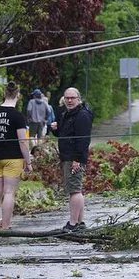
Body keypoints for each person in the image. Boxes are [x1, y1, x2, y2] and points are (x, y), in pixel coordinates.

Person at [0, 82, 31, 230]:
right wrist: (28, 162)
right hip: (13, 158)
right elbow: (23, 141)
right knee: (9, 192)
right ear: (17, 95)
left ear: (4, 94)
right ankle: (5, 227)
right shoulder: (18, 116)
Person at [51, 87, 92, 231]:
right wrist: (55, 129)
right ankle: (80, 223)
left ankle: (73, 223)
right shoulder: (67, 114)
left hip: (74, 158)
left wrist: (77, 159)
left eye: (72, 98)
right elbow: (63, 134)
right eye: (67, 98)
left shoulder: (82, 116)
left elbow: (83, 141)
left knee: (75, 190)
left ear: (78, 99)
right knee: (75, 189)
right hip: (67, 156)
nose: (69, 100)